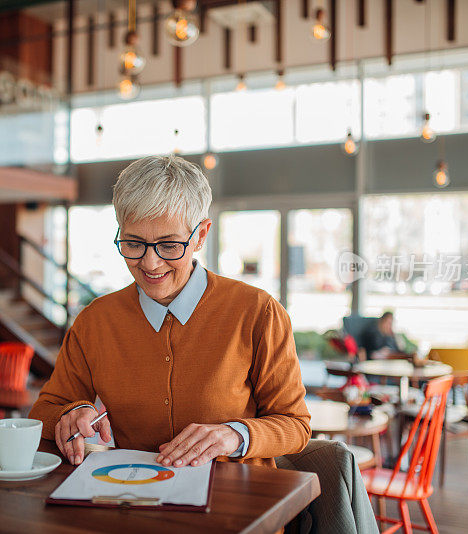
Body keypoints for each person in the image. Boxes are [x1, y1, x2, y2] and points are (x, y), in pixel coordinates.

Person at [29, 155, 311, 469]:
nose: (150, 264)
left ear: (201, 235)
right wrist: (70, 414)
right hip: (135, 497)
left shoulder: (258, 312)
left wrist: (235, 435)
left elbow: (295, 425)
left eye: (169, 245)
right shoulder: (95, 321)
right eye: (134, 243)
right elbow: (47, 407)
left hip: (240, 505)